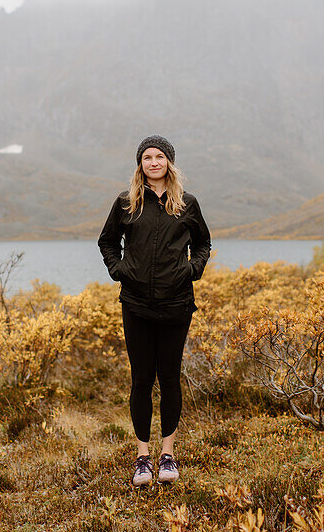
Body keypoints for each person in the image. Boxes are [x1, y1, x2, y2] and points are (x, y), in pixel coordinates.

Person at [97, 134, 211, 486]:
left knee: (170, 379)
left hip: (177, 305)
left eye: (159, 156)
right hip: (136, 305)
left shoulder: (186, 203)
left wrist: (190, 271)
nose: (153, 162)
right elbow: (107, 242)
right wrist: (120, 271)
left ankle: (168, 456)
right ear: (140, 164)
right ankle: (142, 458)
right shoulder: (126, 203)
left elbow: (203, 243)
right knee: (142, 380)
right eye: (147, 157)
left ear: (169, 162)